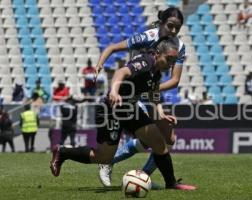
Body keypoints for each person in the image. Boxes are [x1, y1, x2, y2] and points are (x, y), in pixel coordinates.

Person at [50, 37, 196, 191]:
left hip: (130, 110)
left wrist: (160, 112)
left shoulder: (157, 72)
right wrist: (114, 90)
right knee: (103, 157)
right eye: (169, 59)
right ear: (158, 53)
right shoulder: (146, 62)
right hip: (112, 109)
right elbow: (121, 72)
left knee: (159, 142)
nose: (171, 64)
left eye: (174, 61)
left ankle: (171, 183)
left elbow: (153, 92)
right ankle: (62, 151)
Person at [94, 7, 187, 187]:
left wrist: (152, 92)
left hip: (150, 91)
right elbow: (113, 47)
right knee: (152, 139)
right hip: (132, 92)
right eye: (170, 26)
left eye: (178, 28)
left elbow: (175, 81)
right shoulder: (146, 37)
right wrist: (99, 65)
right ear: (162, 23)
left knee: (169, 138)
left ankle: (141, 178)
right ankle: (108, 163)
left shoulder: (179, 47)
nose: (174, 31)